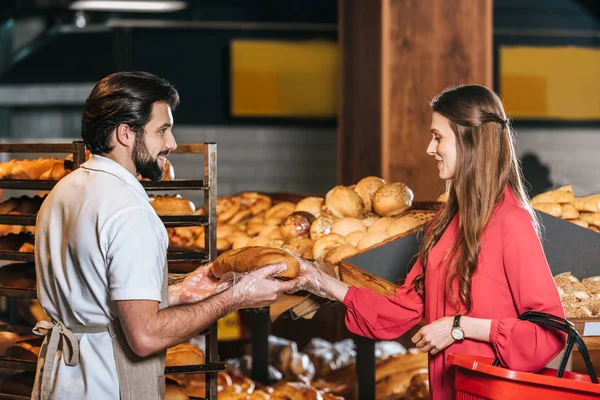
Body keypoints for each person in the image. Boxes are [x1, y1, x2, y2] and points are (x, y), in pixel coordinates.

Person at [33, 71, 297, 400]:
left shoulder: (65, 191)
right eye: (162, 130)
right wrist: (235, 298)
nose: (171, 143)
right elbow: (145, 336)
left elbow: (96, 299)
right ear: (125, 133)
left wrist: (182, 292)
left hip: (62, 381)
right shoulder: (130, 213)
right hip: (106, 384)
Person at [297, 85, 566, 399]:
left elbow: (549, 331)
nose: (429, 148)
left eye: (438, 137)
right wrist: (320, 281)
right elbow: (402, 309)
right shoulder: (445, 223)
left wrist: (460, 326)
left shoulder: (511, 221)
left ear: (470, 141)